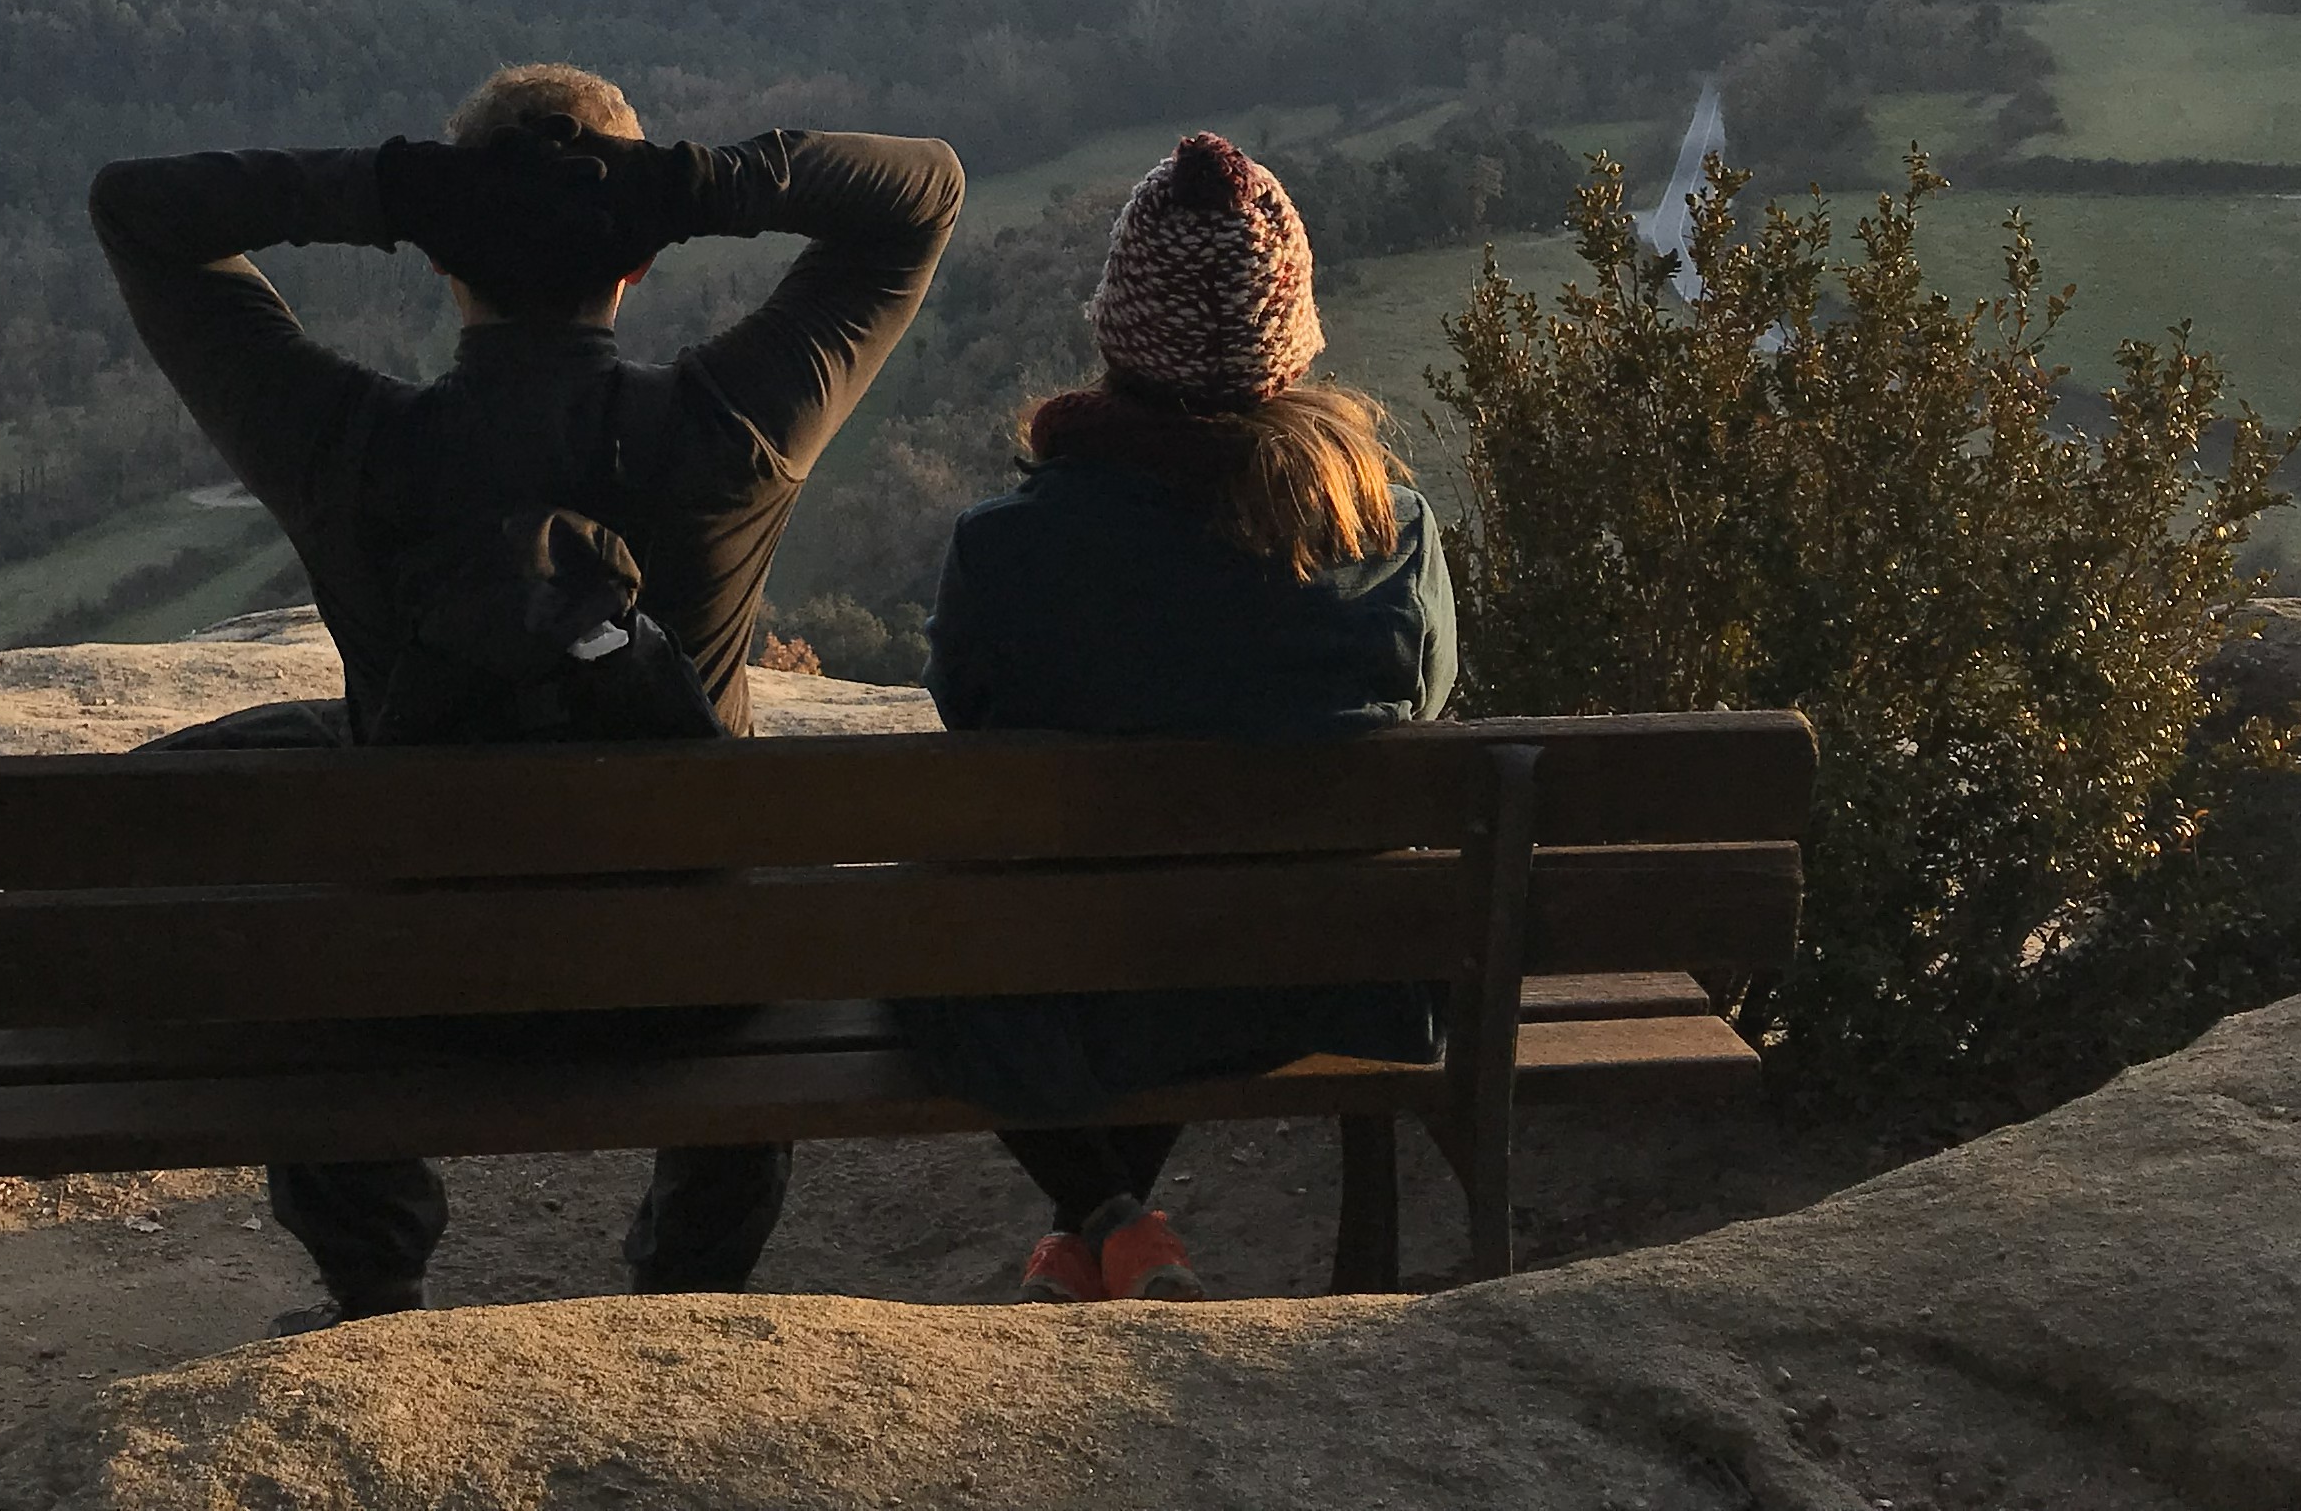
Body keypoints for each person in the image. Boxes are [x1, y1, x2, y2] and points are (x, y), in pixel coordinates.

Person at [88, 64, 963, 1324]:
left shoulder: (347, 449)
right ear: (635, 261)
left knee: (272, 785)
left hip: (413, 983)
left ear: (446, 257)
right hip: (691, 988)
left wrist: (394, 188)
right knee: (736, 812)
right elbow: (923, 188)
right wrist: (686, 185)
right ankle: (691, 1287)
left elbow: (137, 207)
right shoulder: (729, 434)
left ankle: (375, 1279)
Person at [908, 130, 1454, 1306]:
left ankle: (1107, 1219)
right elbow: (1423, 703)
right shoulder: (1388, 532)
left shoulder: (1010, 551)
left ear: (1119, 332)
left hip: (1096, 988)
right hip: (1331, 975)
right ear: (1294, 335)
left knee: (935, 931)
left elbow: (971, 715)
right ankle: (1112, 1240)